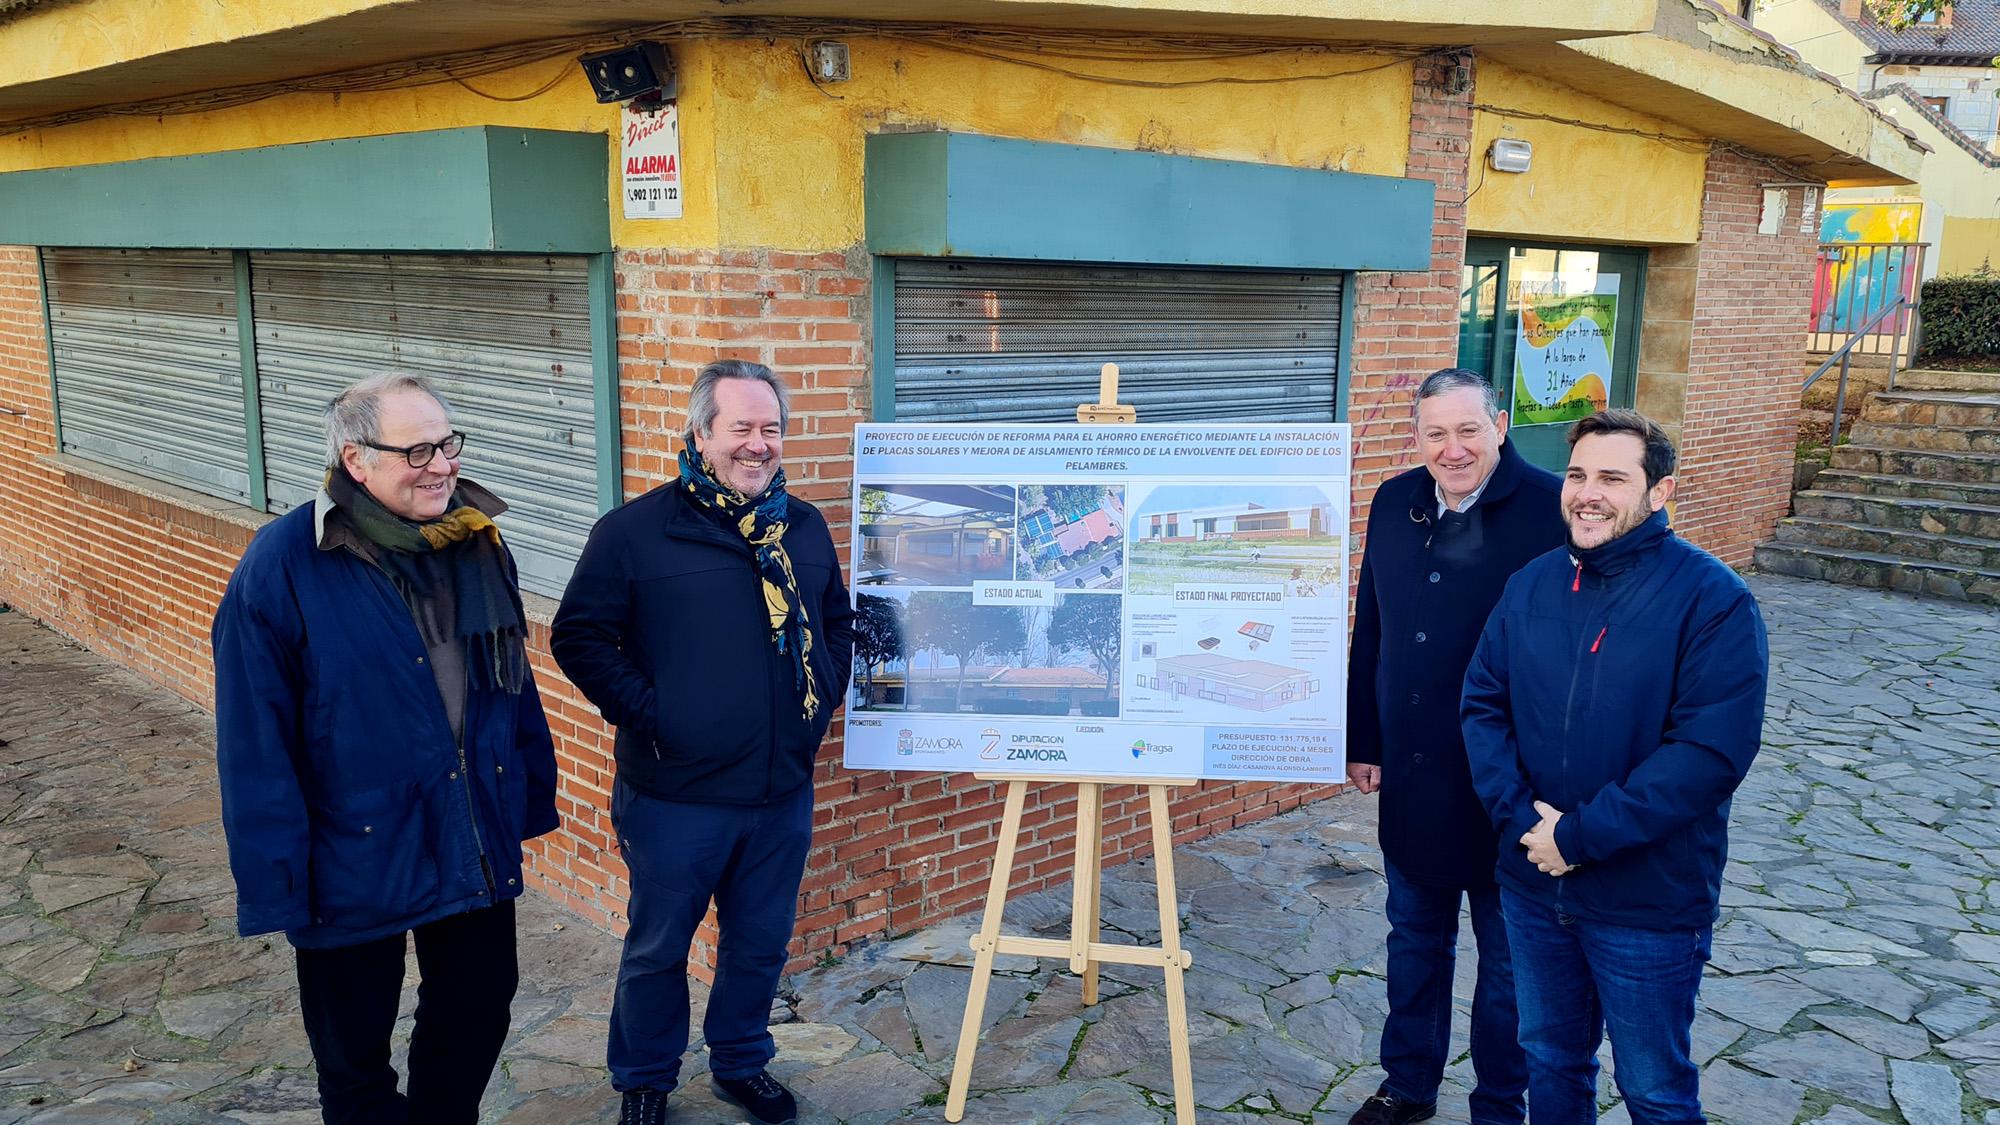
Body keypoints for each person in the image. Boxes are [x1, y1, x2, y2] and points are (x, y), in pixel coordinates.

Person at [212, 373, 560, 1125]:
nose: (442, 464)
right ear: (355, 459)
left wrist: (526, 793)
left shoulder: (474, 540)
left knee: (476, 1011)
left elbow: (512, 684)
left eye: (448, 443)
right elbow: (253, 738)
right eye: (418, 449)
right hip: (350, 850)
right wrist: (276, 877)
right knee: (352, 1060)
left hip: (467, 829)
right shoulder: (283, 565)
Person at [551, 359, 855, 1125]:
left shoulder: (804, 527)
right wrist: (659, 713)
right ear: (699, 434)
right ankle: (645, 1079)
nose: (758, 445)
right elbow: (581, 637)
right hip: (674, 795)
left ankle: (740, 1062)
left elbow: (837, 625)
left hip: (779, 791)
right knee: (658, 949)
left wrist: (816, 708)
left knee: (758, 945)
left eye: (770, 428)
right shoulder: (633, 533)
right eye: (741, 428)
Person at [1463, 410, 1768, 1124]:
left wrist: (1579, 837)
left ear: (1659, 492)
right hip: (1534, 885)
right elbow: (1482, 705)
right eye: (1576, 475)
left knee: (1655, 1088)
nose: (1586, 493)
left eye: (1611, 477)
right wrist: (1524, 824)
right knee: (1550, 1062)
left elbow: (1707, 756)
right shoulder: (1532, 584)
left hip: (1647, 900)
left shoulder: (1714, 600)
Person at [1342, 368, 1564, 1125]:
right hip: (1411, 771)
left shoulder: (1551, 510)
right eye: (1436, 432)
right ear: (1418, 437)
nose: (1453, 447)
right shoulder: (1393, 499)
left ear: (1499, 426)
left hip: (1514, 788)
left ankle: (1500, 1104)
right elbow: (1371, 622)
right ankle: (1407, 1085)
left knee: (1508, 965)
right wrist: (1361, 738)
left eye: (1468, 429)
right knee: (1414, 943)